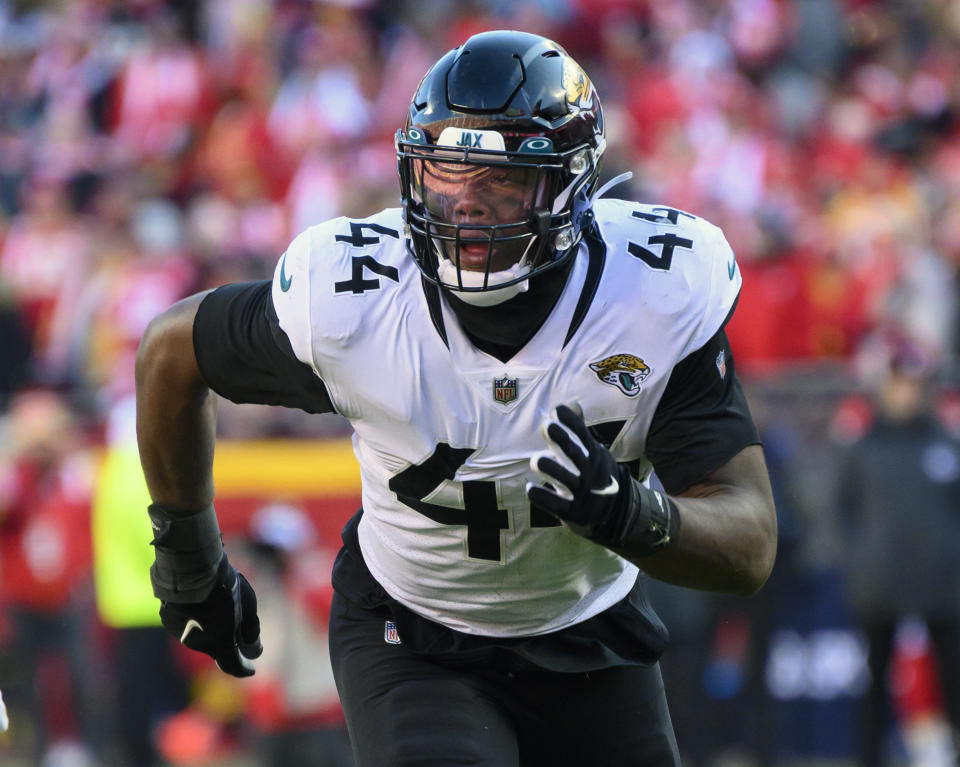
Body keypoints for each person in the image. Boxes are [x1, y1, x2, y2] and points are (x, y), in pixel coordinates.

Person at [135, 30, 777, 766]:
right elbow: (169, 350)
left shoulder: (653, 293)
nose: (465, 204)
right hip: (412, 634)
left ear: (568, 185)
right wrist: (188, 559)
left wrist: (634, 515)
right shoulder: (355, 301)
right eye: (445, 169)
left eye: (500, 178)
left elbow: (750, 542)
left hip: (588, 626)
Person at [838, 335, 960, 765]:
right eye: (899, 382)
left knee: (952, 682)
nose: (907, 391)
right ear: (884, 385)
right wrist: (860, 565)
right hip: (880, 587)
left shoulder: (945, 442)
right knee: (874, 686)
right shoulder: (864, 447)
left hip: (941, 587)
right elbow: (844, 512)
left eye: (914, 382)